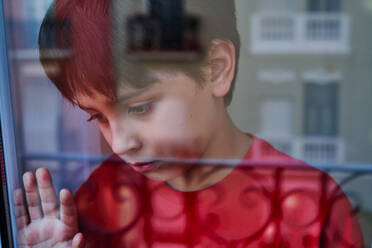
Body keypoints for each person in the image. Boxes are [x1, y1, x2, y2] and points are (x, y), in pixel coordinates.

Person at [14, 0, 364, 247]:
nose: (119, 143)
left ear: (216, 68)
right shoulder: (99, 201)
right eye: (99, 118)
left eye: (141, 107)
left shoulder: (310, 206)